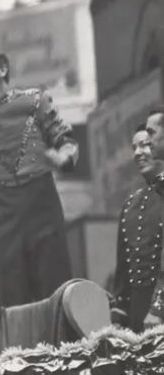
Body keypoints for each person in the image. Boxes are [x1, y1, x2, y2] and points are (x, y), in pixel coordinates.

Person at [0, 49, 79, 307]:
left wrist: (64, 159)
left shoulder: (35, 101)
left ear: (3, 70)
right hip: (4, 209)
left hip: (42, 203)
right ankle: (16, 348)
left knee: (53, 283)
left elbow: (65, 140)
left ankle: (61, 346)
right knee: (9, 291)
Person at [110, 114, 164, 331]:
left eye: (145, 144)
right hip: (138, 315)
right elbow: (123, 272)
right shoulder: (131, 205)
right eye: (134, 148)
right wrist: (117, 319)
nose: (138, 153)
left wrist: (159, 307)